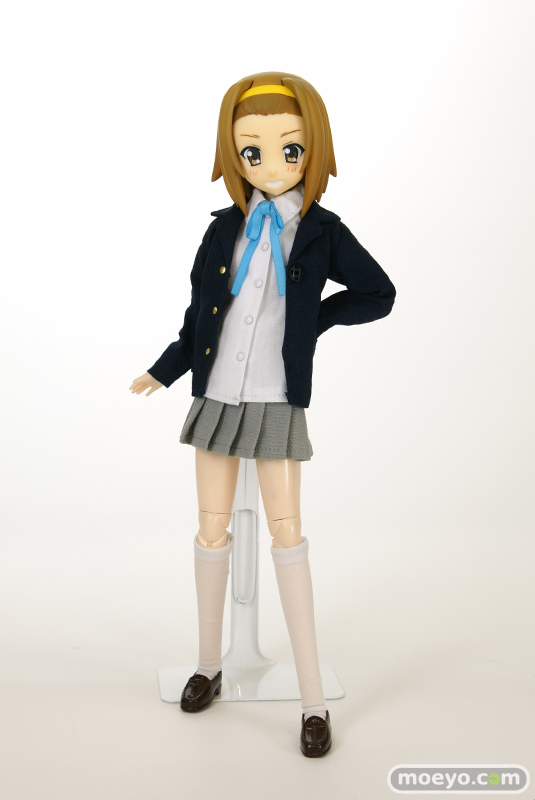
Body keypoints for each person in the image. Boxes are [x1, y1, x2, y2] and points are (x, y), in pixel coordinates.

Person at [129, 71, 396, 757]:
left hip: (276, 396)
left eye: (290, 149)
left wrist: (313, 322)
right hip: (217, 395)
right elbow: (199, 313)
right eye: (252, 151)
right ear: (233, 156)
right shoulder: (225, 230)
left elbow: (378, 292)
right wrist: (165, 368)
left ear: (313, 150)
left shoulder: (323, 231)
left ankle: (312, 701)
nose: (271, 165)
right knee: (210, 530)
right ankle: (208, 665)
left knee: (287, 537)